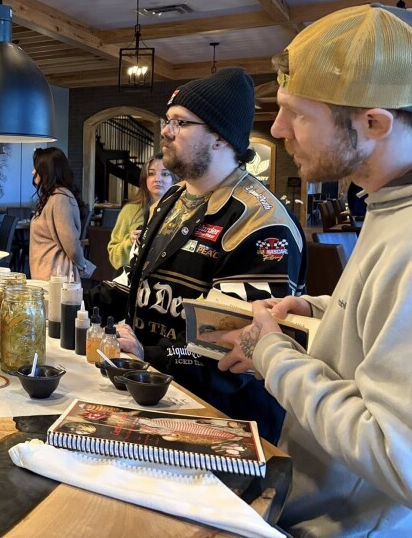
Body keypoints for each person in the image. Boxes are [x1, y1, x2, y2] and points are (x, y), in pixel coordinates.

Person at [199, 4, 412, 535]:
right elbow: (380, 327)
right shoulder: (386, 204)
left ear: (373, 123)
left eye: (297, 113)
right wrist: (313, 314)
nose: (277, 130)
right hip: (306, 507)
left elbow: (397, 456)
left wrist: (269, 352)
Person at [93, 67, 306, 443]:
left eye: (180, 123)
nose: (165, 131)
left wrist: (150, 355)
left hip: (225, 426)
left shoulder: (260, 221)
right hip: (155, 398)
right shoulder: (172, 200)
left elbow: (232, 346)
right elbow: (131, 282)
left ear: (221, 139)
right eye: (167, 121)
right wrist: (59, 296)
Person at [28, 147, 93, 280]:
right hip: (49, 276)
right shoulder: (53, 197)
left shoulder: (61, 198)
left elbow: (71, 244)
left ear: (48, 170)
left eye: (37, 168)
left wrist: (84, 266)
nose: (33, 172)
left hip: (57, 279)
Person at [107, 153, 177, 270]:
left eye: (165, 174)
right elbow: (114, 257)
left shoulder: (183, 211)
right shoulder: (130, 210)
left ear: (175, 180)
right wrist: (130, 242)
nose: (157, 179)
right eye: (151, 174)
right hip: (134, 280)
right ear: (145, 179)